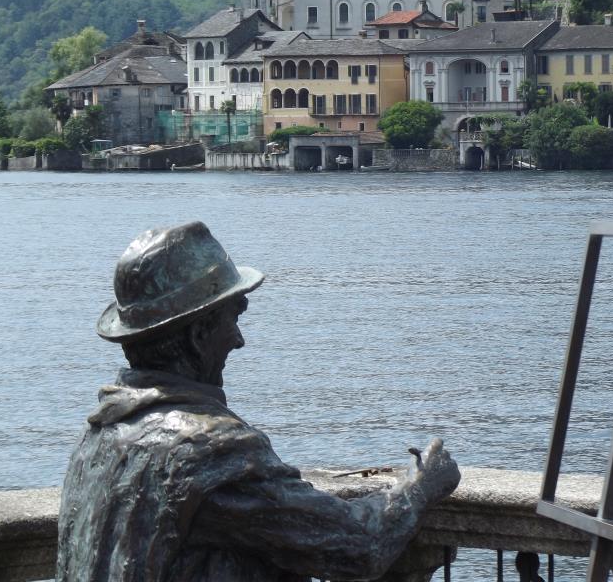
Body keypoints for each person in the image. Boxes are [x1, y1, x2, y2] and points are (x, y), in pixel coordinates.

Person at [57, 221, 460, 582]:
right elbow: (358, 546)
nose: (239, 339)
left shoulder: (99, 439)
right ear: (198, 336)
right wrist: (421, 486)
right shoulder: (207, 451)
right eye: (233, 317)